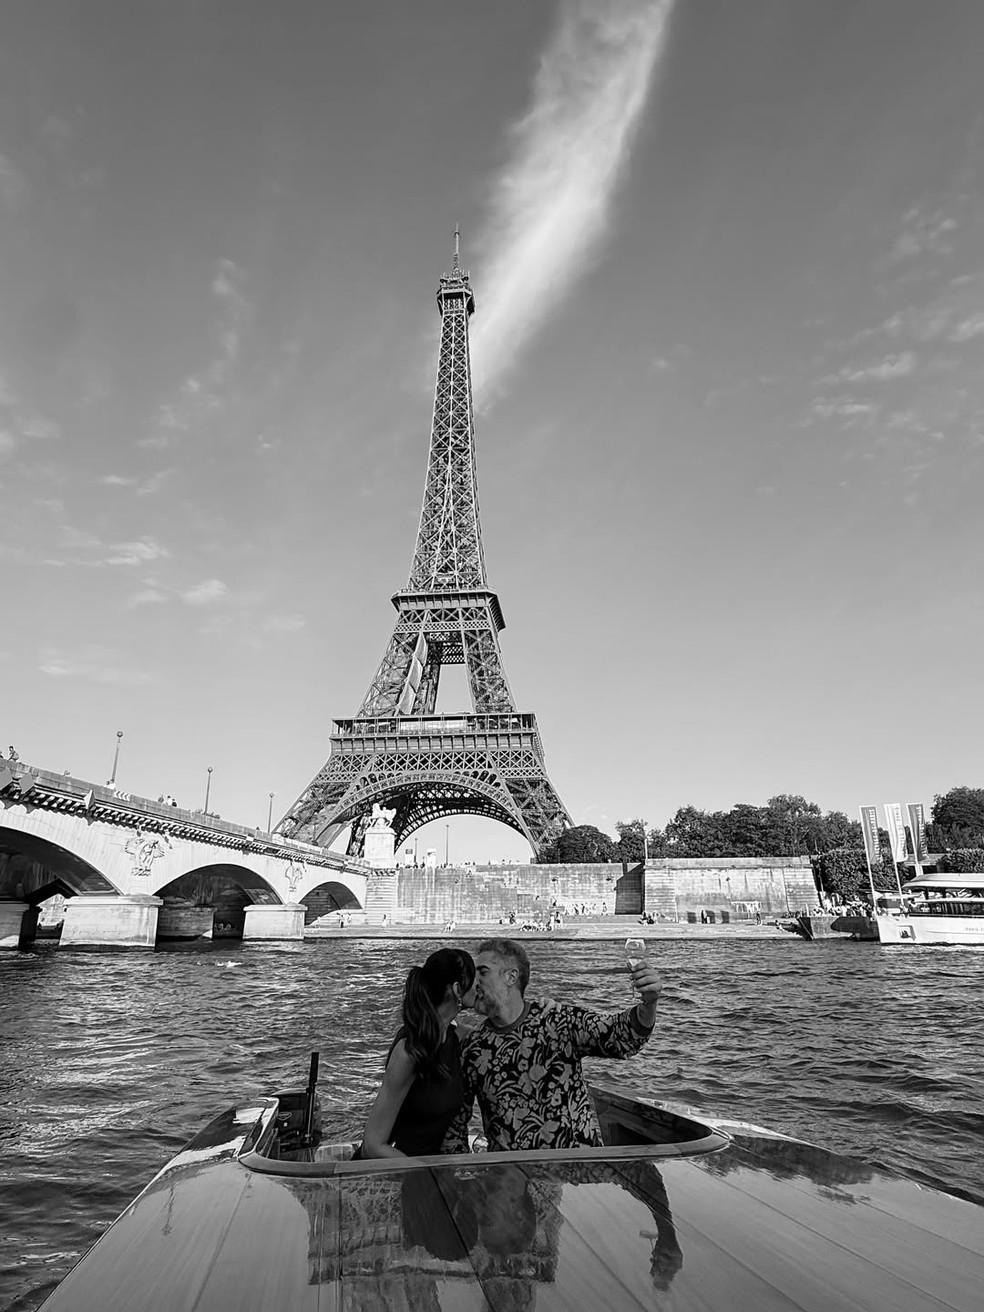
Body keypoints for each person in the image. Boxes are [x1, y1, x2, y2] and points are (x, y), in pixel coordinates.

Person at [452, 937, 662, 1152]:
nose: (474, 981)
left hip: (576, 1174)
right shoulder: (473, 1046)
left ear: (511, 976)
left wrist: (649, 1002)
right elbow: (455, 1127)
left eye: (483, 972)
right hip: (512, 1178)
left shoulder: (557, 1021)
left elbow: (623, 1037)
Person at [360, 947, 476, 1158]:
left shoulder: (459, 1036)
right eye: (476, 978)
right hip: (399, 1173)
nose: (480, 987)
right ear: (458, 989)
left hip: (430, 1169)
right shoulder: (408, 1052)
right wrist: (422, 1177)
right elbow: (373, 1146)